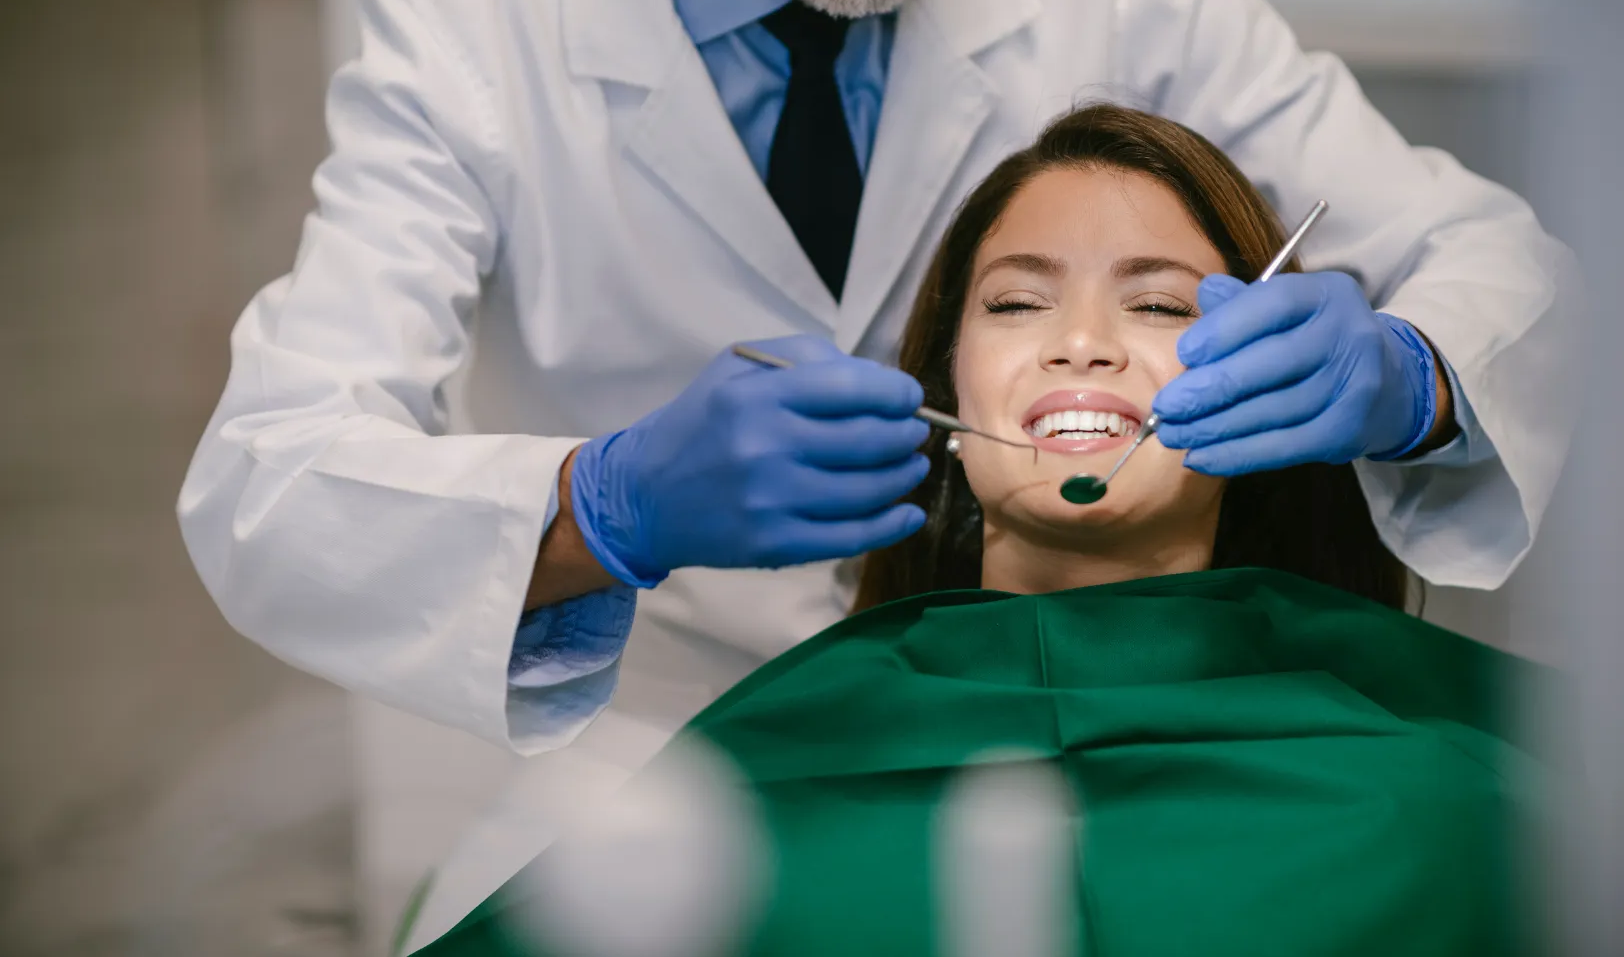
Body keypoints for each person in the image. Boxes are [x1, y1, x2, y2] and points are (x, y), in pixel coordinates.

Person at [176, 0, 1576, 944]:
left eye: (1153, 304)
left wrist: (1415, 373)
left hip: (1170, 703)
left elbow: (1493, 263)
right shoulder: (476, 15)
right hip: (679, 733)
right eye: (1016, 302)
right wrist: (604, 503)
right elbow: (268, 485)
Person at [419, 105, 1544, 957]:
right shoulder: (754, 789)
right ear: (943, 389)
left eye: (1157, 303)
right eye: (1016, 302)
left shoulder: (1459, 799)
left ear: (1279, 388)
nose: (1082, 343)